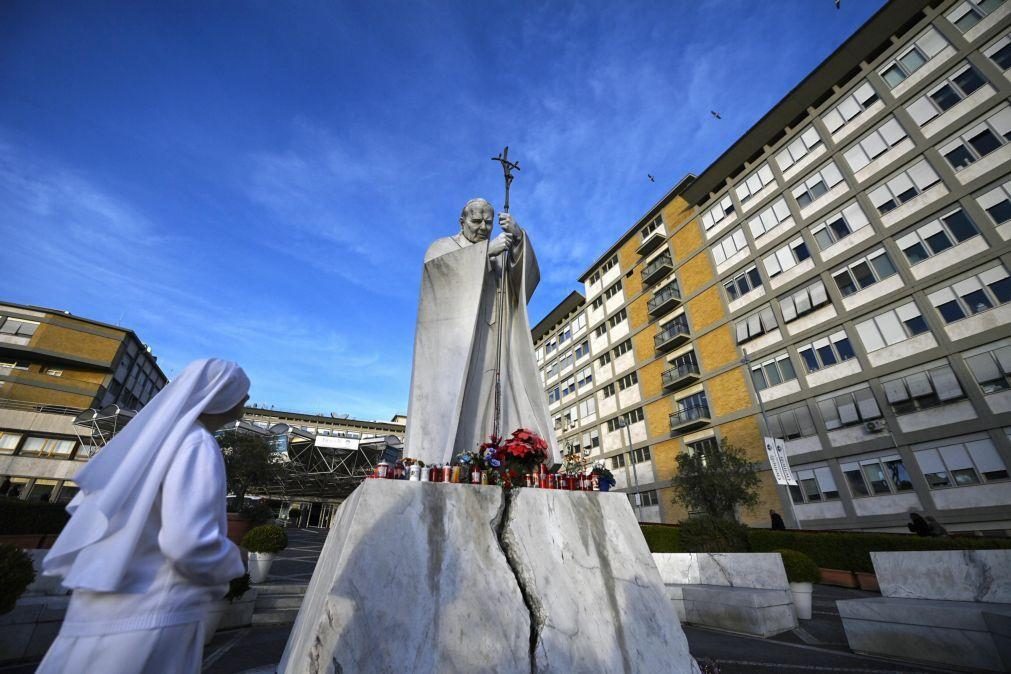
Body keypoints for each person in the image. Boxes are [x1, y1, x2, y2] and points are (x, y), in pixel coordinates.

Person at [37, 358, 249, 674]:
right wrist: (234, 562)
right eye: (243, 394)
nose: (246, 402)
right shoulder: (197, 443)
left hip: (97, 613)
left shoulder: (153, 442)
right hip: (153, 617)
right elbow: (188, 543)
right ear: (223, 396)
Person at [404, 198, 559, 466]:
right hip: (459, 344)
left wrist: (519, 237)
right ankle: (447, 460)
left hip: (496, 340)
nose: (483, 227)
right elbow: (436, 275)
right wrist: (485, 252)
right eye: (476, 221)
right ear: (462, 221)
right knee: (463, 400)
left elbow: (524, 282)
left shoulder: (500, 253)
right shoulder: (443, 248)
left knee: (495, 399)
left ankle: (495, 458)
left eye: (489, 222)